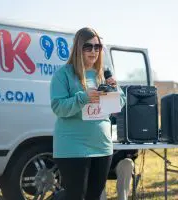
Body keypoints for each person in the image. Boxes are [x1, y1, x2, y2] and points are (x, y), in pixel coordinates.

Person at [50, 27, 126, 200]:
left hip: (102, 147)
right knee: (76, 196)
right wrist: (83, 98)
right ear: (78, 47)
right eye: (88, 47)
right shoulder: (64, 74)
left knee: (94, 196)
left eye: (97, 47)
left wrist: (114, 91)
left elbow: (119, 104)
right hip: (73, 148)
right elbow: (58, 107)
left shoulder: (103, 75)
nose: (94, 51)